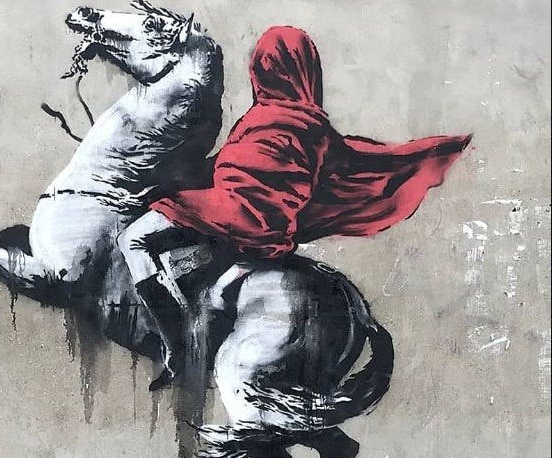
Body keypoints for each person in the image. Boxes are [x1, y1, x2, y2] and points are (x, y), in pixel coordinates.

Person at [118, 26, 472, 391]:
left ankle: (175, 346)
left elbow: (226, 169)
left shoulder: (259, 118)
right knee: (198, 260)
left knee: (132, 240)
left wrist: (166, 186)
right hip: (271, 237)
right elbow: (344, 170)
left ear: (262, 71)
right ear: (307, 71)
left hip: (227, 214)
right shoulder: (320, 133)